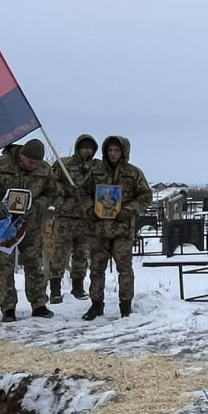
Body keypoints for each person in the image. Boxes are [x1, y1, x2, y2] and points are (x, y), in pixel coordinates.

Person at [0, 139, 57, 322]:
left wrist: (38, 206)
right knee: (4, 266)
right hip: (3, 226)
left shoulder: (45, 170)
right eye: (30, 162)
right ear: (22, 156)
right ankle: (8, 307)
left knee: (34, 264)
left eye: (37, 163)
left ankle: (39, 304)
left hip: (30, 225)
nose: (33, 166)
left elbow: (52, 193)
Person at [82, 135, 151, 321]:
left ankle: (125, 306)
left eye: (117, 150)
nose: (113, 154)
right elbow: (83, 193)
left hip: (122, 229)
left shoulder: (133, 173)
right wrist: (90, 209)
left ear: (123, 152)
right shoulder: (95, 171)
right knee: (96, 268)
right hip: (99, 229)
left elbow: (145, 196)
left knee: (125, 269)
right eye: (110, 150)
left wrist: (128, 210)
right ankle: (96, 304)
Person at [49, 134, 98, 303]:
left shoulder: (96, 167)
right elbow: (51, 183)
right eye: (85, 148)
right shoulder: (64, 164)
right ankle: (55, 289)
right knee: (59, 253)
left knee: (82, 254)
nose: (88, 151)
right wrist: (65, 191)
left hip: (85, 218)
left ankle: (78, 287)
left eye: (90, 148)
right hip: (65, 216)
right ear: (78, 148)